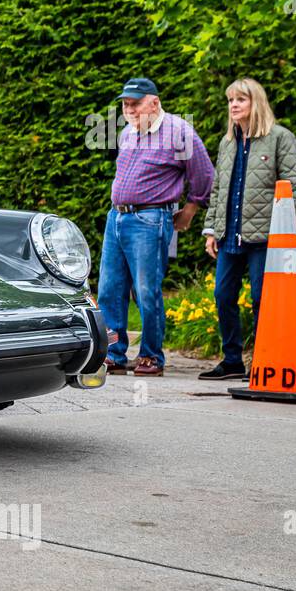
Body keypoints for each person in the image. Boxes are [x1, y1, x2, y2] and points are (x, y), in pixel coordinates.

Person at [97, 77, 213, 377]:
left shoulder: (178, 130)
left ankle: (151, 356)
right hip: (117, 218)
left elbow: (203, 174)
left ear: (155, 102)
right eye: (125, 104)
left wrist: (189, 210)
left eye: (135, 103)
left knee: (146, 291)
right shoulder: (127, 133)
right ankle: (113, 353)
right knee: (110, 290)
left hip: (150, 219)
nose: (129, 109)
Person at [198, 78, 296, 380]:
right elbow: (218, 189)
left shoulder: (281, 138)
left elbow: (292, 188)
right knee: (223, 295)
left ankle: (263, 361)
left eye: (240, 100)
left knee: (261, 298)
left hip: (266, 236)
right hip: (230, 233)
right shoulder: (228, 142)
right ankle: (232, 360)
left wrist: (286, 236)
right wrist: (210, 230)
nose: (233, 106)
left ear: (256, 103)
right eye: (230, 101)